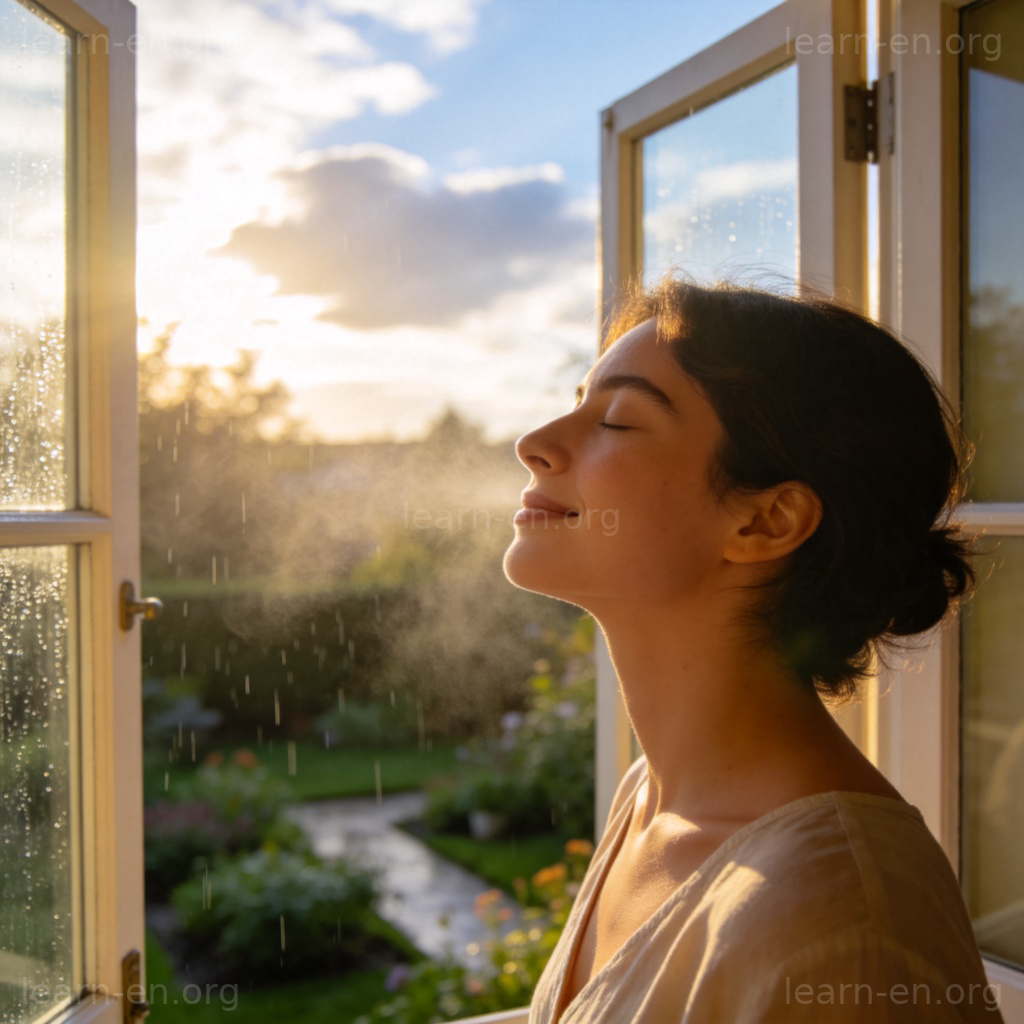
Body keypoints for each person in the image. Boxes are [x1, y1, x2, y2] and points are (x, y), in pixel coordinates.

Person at [503, 280, 1004, 1023]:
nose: (535, 443)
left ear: (768, 521)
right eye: (580, 399)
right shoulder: (650, 798)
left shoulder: (842, 932)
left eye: (616, 418)